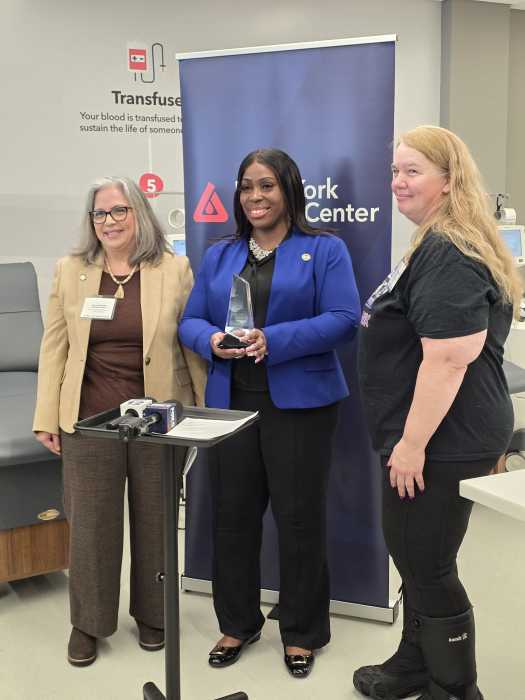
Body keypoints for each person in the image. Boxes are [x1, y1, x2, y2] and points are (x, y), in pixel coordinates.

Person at [355, 126, 522, 700]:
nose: (398, 182)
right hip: (438, 432)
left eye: (413, 171)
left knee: (426, 564)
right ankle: (414, 664)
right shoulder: (437, 241)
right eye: (395, 171)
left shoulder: (448, 251)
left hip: (441, 439)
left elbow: (449, 359)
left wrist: (411, 444)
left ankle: (455, 688)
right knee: (417, 556)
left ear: (449, 181)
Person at [179, 148, 360, 677]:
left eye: (266, 186)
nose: (254, 197)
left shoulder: (324, 249)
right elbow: (189, 321)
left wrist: (272, 339)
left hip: (301, 406)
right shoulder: (221, 254)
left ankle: (302, 632)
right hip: (231, 403)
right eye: (246, 187)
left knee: (299, 520)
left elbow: (344, 318)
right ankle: (237, 623)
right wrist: (210, 340)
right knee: (232, 517)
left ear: (289, 190)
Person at [33, 176, 206, 667]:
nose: (108, 221)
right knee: (91, 528)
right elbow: (54, 347)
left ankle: (153, 614)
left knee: (156, 523)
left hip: (157, 419)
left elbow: (190, 346)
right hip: (89, 422)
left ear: (139, 214)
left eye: (118, 211)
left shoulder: (174, 268)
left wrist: (199, 412)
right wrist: (47, 417)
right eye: (99, 213)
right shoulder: (71, 270)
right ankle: (88, 624)